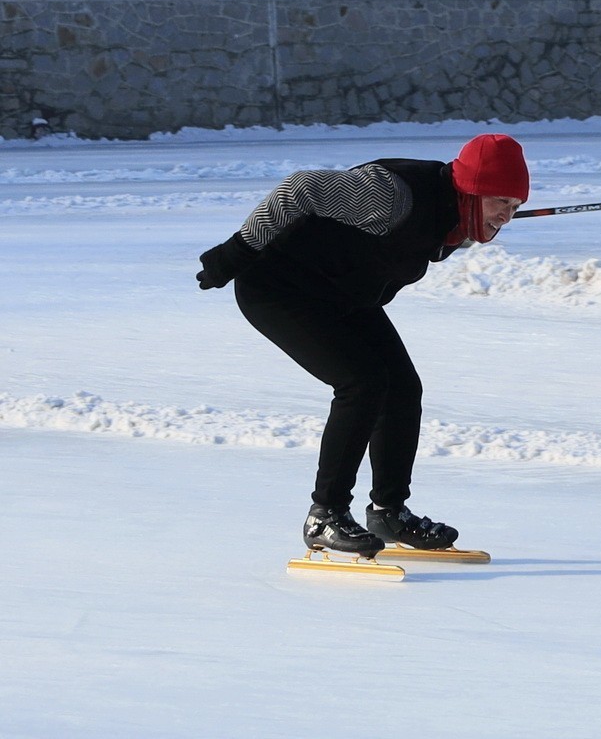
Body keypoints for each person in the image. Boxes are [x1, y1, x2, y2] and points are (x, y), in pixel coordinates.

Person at [195, 134, 529, 556]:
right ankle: (325, 515)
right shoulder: (391, 195)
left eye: (515, 206)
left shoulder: (457, 212)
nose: (508, 215)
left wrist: (481, 220)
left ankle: (390, 512)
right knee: (362, 383)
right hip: (278, 287)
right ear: (471, 188)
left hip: (343, 294)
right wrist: (237, 250)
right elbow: (300, 189)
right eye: (502, 201)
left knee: (402, 387)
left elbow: (426, 231)